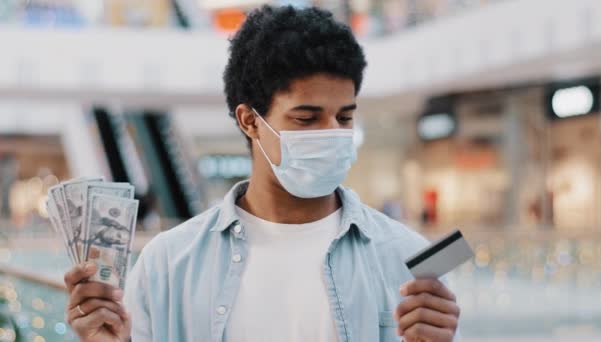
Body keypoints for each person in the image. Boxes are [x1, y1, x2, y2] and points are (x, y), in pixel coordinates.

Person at [63, 5, 461, 342]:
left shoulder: (405, 257)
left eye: (344, 117)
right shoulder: (168, 264)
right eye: (306, 118)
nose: (333, 135)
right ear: (250, 121)